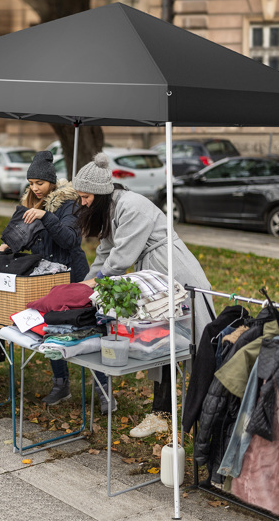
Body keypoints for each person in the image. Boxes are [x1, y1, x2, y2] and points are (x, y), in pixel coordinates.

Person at [73, 152, 216, 438]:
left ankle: (206, 413)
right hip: (153, 276)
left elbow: (121, 258)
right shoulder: (111, 209)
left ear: (100, 193)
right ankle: (161, 414)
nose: (82, 202)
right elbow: (104, 253)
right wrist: (83, 287)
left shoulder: (132, 206)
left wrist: (96, 284)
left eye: (85, 197)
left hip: (174, 272)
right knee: (162, 342)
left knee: (196, 344)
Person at [0, 151, 114, 413]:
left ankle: (103, 389)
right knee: (50, 330)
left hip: (74, 277)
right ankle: (61, 384)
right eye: (31, 183)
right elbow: (34, 240)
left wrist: (45, 217)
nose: (34, 188)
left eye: (39, 183)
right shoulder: (32, 204)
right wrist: (11, 243)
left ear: (51, 182)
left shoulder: (70, 203)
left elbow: (70, 240)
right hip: (47, 276)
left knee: (88, 330)